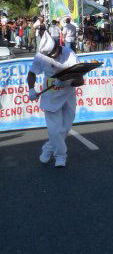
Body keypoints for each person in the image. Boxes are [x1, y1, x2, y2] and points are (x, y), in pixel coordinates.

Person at [27, 31, 80, 167]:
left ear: (58, 46)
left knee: (65, 128)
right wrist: (31, 89)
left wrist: (65, 80)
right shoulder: (40, 57)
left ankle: (49, 148)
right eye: (49, 56)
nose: (52, 57)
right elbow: (32, 73)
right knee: (55, 130)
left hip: (68, 93)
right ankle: (61, 156)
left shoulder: (70, 54)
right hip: (50, 94)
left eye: (53, 54)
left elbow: (79, 80)